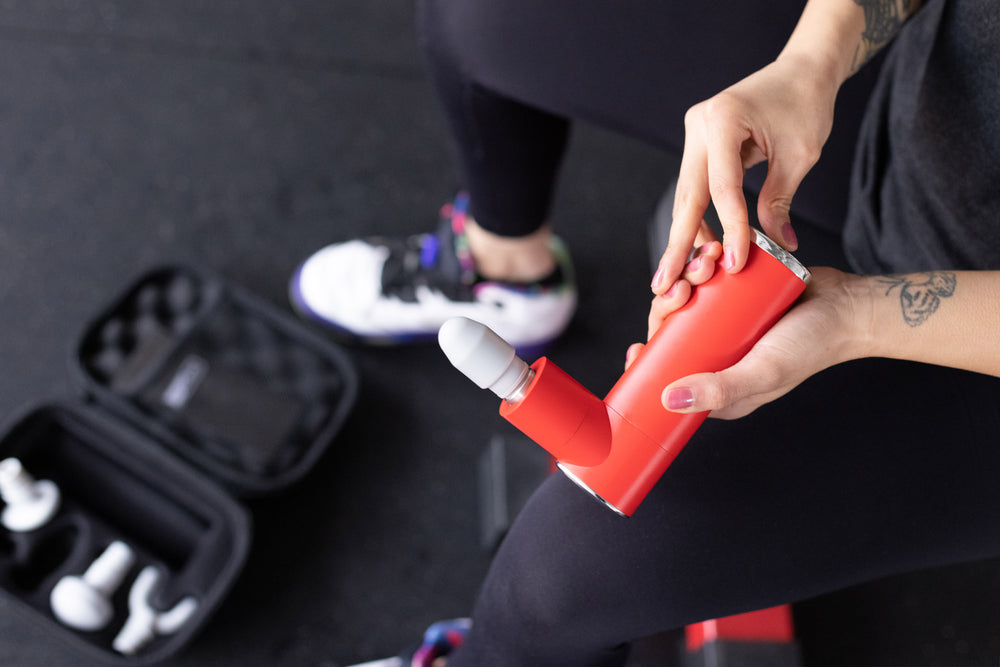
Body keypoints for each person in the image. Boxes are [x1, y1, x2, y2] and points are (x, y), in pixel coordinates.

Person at [341, 0, 1000, 664]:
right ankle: (508, 271)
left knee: (561, 577)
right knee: (479, 20)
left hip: (973, 351)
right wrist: (810, 64)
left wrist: (858, 314)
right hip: (919, 126)